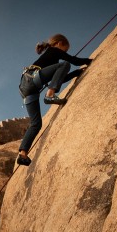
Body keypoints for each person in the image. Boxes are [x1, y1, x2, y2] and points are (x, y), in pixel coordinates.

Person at [17, 34, 92, 166]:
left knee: (36, 124)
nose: (65, 52)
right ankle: (50, 95)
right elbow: (72, 61)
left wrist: (76, 73)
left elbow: (58, 80)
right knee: (65, 64)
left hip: (26, 90)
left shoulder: (50, 58)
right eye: (65, 49)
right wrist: (89, 60)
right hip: (32, 80)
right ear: (58, 43)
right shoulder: (53, 50)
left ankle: (22, 154)